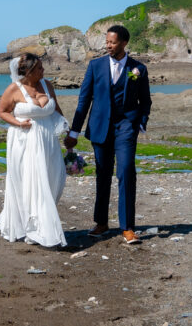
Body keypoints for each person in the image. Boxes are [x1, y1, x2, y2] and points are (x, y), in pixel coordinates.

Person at [64, 24, 151, 244]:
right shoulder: (95, 66)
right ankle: (101, 222)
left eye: (112, 42)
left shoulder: (138, 69)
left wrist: (140, 123)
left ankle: (127, 227)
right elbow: (84, 100)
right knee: (102, 174)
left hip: (126, 127)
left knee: (126, 171)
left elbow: (145, 101)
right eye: (107, 42)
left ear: (124, 43)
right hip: (100, 127)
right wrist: (74, 131)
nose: (108, 45)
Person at [0, 52, 68, 247]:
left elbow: (56, 108)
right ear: (28, 71)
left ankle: (40, 223)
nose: (43, 71)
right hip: (25, 141)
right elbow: (3, 112)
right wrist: (19, 123)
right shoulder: (14, 89)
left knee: (53, 180)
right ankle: (34, 228)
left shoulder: (47, 85)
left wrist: (67, 129)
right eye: (39, 68)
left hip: (49, 141)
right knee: (30, 183)